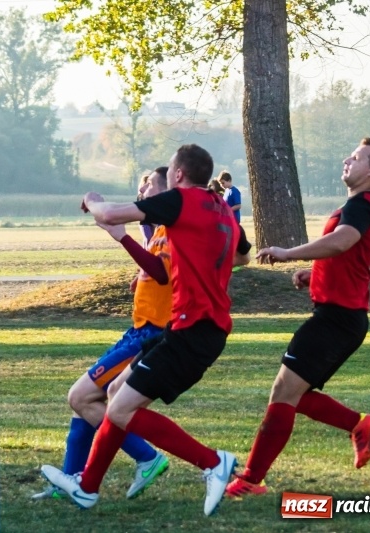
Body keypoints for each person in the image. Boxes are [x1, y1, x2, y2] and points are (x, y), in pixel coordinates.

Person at [41, 144, 252, 517]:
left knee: (119, 409)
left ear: (179, 174)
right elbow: (243, 254)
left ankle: (211, 462)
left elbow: (108, 214)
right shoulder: (219, 207)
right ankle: (87, 488)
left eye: (169, 170)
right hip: (186, 327)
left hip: (194, 330)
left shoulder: (180, 200)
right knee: (116, 391)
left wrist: (92, 200)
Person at [225, 138, 370, 499]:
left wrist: (288, 254)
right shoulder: (366, 203)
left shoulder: (362, 205)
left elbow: (342, 242)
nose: (347, 159)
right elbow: (349, 254)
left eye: (357, 157)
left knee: (283, 395)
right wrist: (315, 272)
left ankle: (251, 480)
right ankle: (358, 424)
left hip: (337, 320)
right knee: (292, 396)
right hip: (340, 317)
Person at [33, 168, 172, 502]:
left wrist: (120, 236)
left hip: (151, 334)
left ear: (170, 189)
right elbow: (156, 272)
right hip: (139, 330)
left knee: (80, 397)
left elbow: (162, 273)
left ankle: (148, 457)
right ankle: (68, 478)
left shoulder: (171, 229)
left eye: (150, 182)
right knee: (85, 403)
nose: (143, 187)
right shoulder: (155, 230)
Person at [136, 172, 155, 245]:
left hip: (152, 221)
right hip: (144, 222)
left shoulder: (151, 196)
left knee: (152, 238)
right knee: (148, 238)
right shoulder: (141, 196)